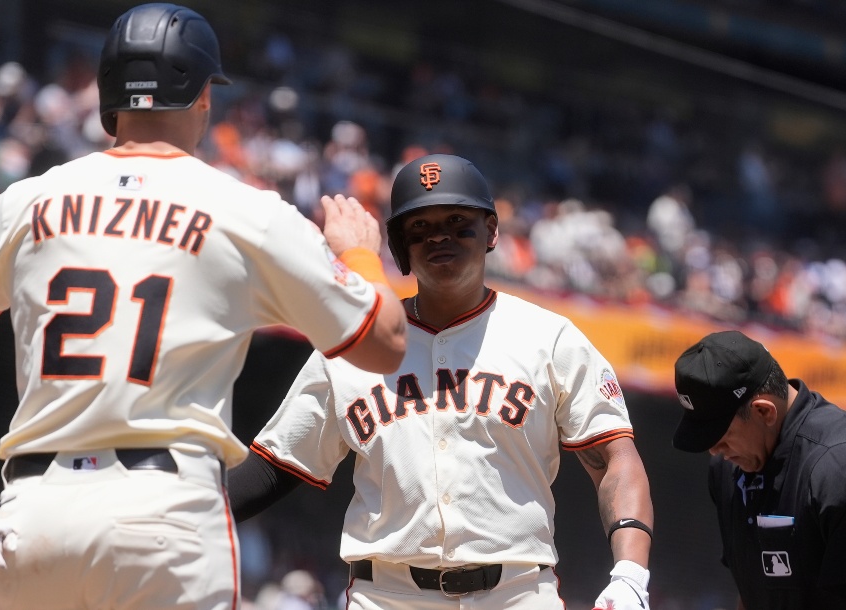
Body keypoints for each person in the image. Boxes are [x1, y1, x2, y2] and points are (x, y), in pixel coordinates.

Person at [0, 4, 407, 609]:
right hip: (160, 515)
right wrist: (359, 256)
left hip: (28, 522)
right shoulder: (246, 212)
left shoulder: (31, 198)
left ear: (107, 96)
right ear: (202, 97)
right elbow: (383, 344)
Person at [229, 153, 654, 610]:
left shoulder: (549, 338)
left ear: (491, 230)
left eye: (457, 219)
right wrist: (168, 512)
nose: (439, 237)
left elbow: (613, 459)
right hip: (387, 596)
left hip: (515, 594)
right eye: (419, 227)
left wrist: (630, 575)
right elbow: (273, 467)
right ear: (399, 246)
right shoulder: (354, 344)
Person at [672, 330, 846, 610]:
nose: (715, 450)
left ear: (765, 412)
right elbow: (753, 590)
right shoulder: (726, 469)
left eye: (721, 435)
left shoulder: (835, 469)